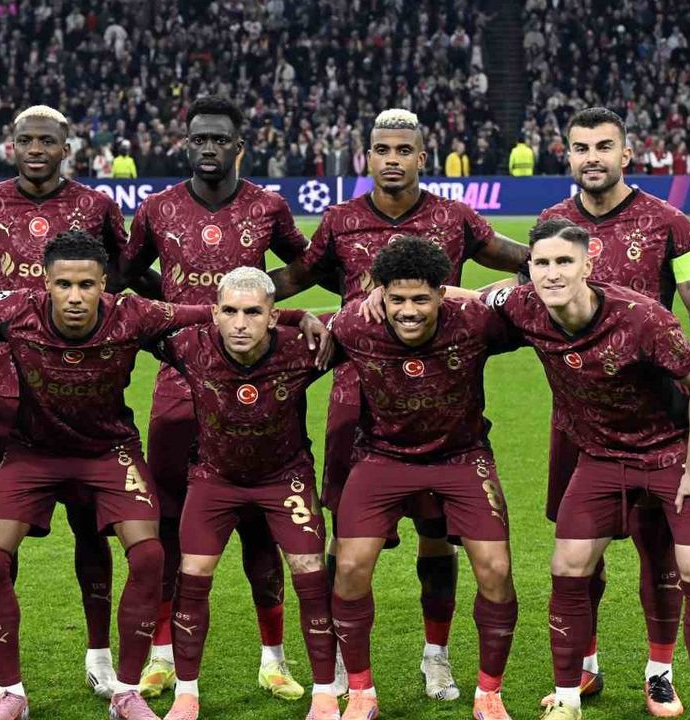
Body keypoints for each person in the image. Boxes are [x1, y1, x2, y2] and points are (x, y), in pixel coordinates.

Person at [0, 231, 319, 720]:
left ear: (104, 284)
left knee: (149, 555)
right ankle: (12, 694)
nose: (75, 296)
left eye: (86, 285)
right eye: (63, 284)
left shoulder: (133, 314)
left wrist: (295, 315)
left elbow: (204, 312)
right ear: (46, 284)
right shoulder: (16, 308)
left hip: (110, 452)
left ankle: (126, 692)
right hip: (33, 454)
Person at [269, 108, 530, 702]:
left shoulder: (454, 218)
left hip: (442, 395)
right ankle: (341, 662)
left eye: (403, 150)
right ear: (368, 156)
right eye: (382, 149)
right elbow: (298, 277)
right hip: (357, 396)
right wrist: (237, 292)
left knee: (437, 538)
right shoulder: (340, 220)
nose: (392, 159)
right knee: (346, 543)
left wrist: (545, 261)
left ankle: (436, 657)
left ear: (421, 156)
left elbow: (520, 261)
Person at [486, 219, 690, 720]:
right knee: (568, 566)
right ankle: (568, 698)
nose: (552, 273)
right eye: (542, 263)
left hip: (670, 452)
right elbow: (463, 300)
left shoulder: (643, 318)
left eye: (564, 262)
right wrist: (382, 294)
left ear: (588, 265)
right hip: (600, 457)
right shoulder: (524, 305)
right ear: (529, 269)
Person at [536, 106, 690, 716]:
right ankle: (586, 666)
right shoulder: (552, 224)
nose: (591, 157)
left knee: (661, 551)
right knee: (580, 552)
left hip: (662, 416)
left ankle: (659, 670)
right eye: (580, 148)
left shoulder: (670, 221)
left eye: (603, 146)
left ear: (626, 154)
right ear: (568, 156)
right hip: (580, 415)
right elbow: (525, 299)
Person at [118, 95, 313, 702]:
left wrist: (265, 302)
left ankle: (273, 659)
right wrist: (176, 307)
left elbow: (305, 265)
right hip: (181, 382)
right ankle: (160, 657)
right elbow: (128, 271)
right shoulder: (157, 209)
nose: (208, 148)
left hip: (260, 380)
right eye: (199, 138)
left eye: (219, 139)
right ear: (187, 144)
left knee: (261, 523)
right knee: (168, 519)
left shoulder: (267, 206)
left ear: (238, 147)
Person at [0, 105, 131, 699]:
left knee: (91, 527)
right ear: (11, 144)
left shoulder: (97, 206)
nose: (35, 149)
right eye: (25, 139)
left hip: (84, 392)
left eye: (46, 141)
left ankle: (100, 653)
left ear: (65, 147)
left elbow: (120, 280)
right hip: (4, 389)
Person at [331, 237, 519, 720]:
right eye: (397, 299)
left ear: (441, 292)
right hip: (382, 457)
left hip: (462, 456)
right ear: (380, 293)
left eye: (421, 298)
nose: (409, 311)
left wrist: (476, 294)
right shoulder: (354, 324)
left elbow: (534, 293)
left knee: (496, 570)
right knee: (349, 566)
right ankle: (361, 691)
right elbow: (294, 333)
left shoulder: (475, 320)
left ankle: (488, 694)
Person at [151, 267, 338, 720]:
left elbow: (369, 322)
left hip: (285, 479)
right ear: (214, 313)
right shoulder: (190, 346)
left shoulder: (302, 349)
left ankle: (325, 695)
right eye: (230, 312)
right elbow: (136, 319)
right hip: (214, 479)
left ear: (272, 317)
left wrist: (302, 318)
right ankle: (186, 695)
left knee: (311, 573)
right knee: (193, 573)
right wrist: (294, 313)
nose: (240, 323)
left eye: (253, 312)